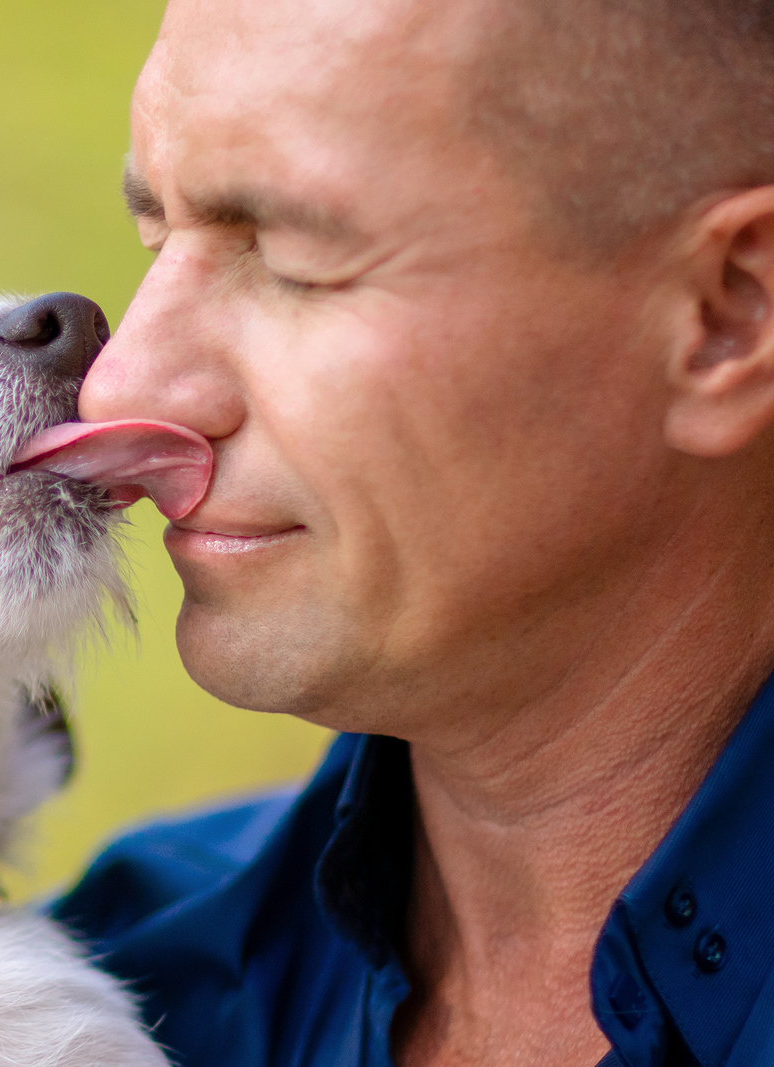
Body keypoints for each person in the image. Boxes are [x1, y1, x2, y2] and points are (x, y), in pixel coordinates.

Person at [52, 1, 774, 1065]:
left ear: (728, 313)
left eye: (294, 259)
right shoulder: (104, 995)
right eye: (155, 236)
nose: (117, 392)